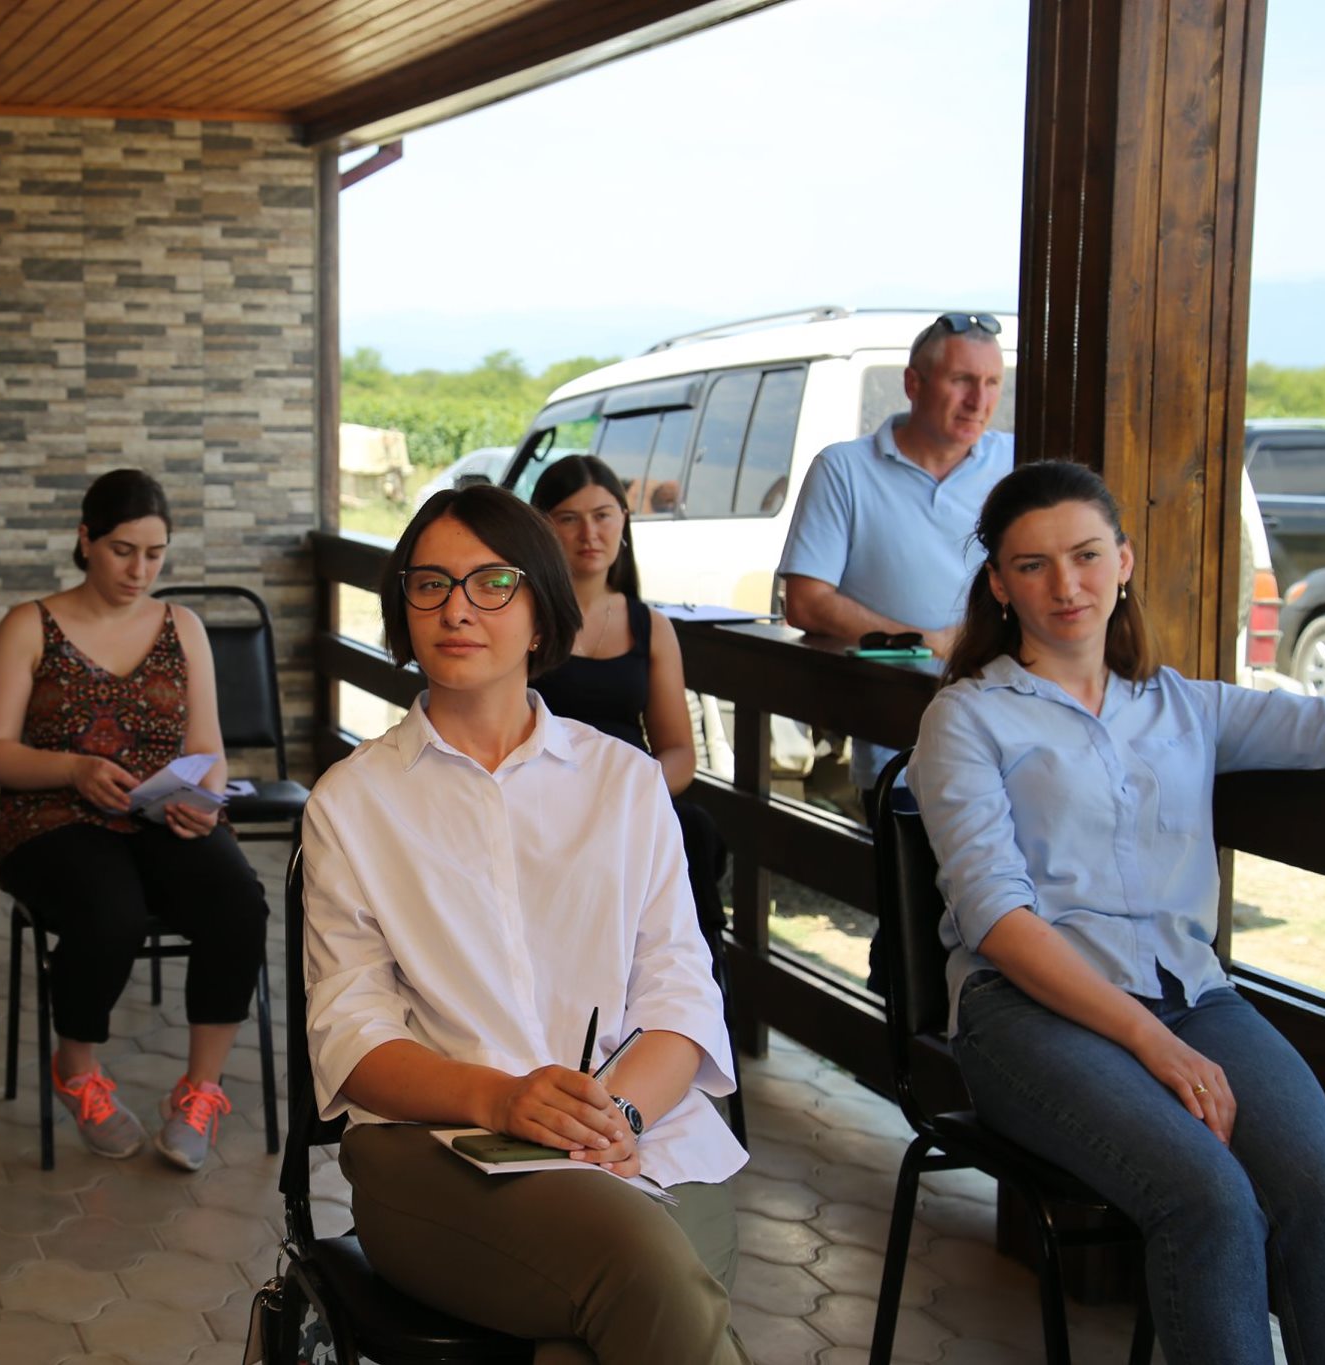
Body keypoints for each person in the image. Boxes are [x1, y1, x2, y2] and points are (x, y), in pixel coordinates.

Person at [908, 460, 1325, 1365]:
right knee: (1209, 1198)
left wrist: (1173, 1035)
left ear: (1124, 559)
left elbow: (1324, 728)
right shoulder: (968, 717)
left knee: (1323, 1185)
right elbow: (997, 920)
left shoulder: (1184, 705)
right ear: (999, 584)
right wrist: (1153, 1044)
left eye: (1086, 555)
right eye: (1032, 565)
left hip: (1192, 995)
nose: (1066, 585)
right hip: (1027, 1009)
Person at [302, 485, 749, 1365]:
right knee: (648, 1275)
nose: (456, 607)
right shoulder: (352, 802)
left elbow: (680, 992)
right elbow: (351, 1035)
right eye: (429, 584)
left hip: (641, 1140)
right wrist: (501, 1098)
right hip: (435, 1153)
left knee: (593, 1336)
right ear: (403, 610)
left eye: (492, 582)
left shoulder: (625, 783)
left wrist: (616, 1115)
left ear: (542, 612)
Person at [0, 468, 269, 1171]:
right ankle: (76, 1069)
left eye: (155, 554)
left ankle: (200, 1091)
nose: (140, 570)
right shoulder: (29, 624)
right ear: (86, 540)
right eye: (123, 551)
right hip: (51, 819)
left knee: (238, 903)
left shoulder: (182, 627)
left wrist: (204, 800)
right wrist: (74, 769)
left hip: (161, 814)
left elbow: (208, 749)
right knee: (111, 913)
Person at [778, 311, 1014, 804]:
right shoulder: (844, 469)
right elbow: (805, 603)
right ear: (912, 383)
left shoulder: (1015, 464)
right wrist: (926, 643)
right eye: (962, 380)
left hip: (1012, 744)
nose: (980, 400)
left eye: (993, 382)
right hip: (901, 752)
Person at [527, 455, 729, 939]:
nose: (589, 534)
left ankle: (698, 978)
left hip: (630, 800)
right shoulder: (521, 617)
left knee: (692, 829)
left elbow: (679, 751)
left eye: (602, 516)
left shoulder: (650, 626)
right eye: (569, 519)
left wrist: (628, 797)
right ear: (541, 527)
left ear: (623, 522)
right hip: (537, 800)